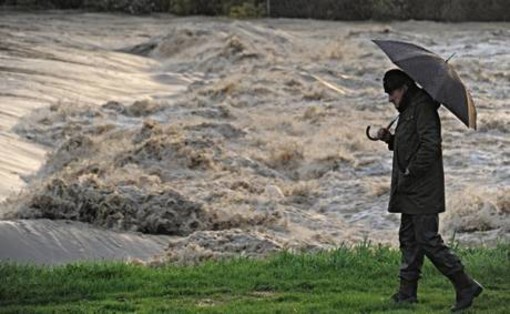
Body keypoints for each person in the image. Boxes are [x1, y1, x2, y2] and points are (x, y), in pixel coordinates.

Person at [376, 69, 483, 312]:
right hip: (411, 190)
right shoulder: (409, 109)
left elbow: (430, 146)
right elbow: (409, 144)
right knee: (409, 240)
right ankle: (406, 294)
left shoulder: (422, 107)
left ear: (403, 88)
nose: (390, 99)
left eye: (391, 93)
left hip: (422, 189)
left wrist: (410, 171)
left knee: (427, 240)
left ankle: (465, 285)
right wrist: (389, 139)